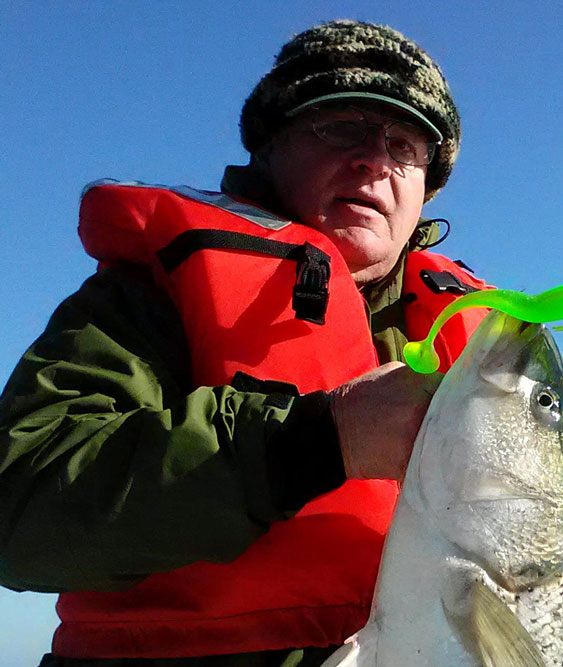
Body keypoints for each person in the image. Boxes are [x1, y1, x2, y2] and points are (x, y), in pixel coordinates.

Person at [0, 19, 489, 667]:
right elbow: (20, 514)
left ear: (426, 188)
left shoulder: (481, 346)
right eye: (340, 126)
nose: (374, 158)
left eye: (405, 145)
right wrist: (314, 442)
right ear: (270, 149)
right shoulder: (150, 297)